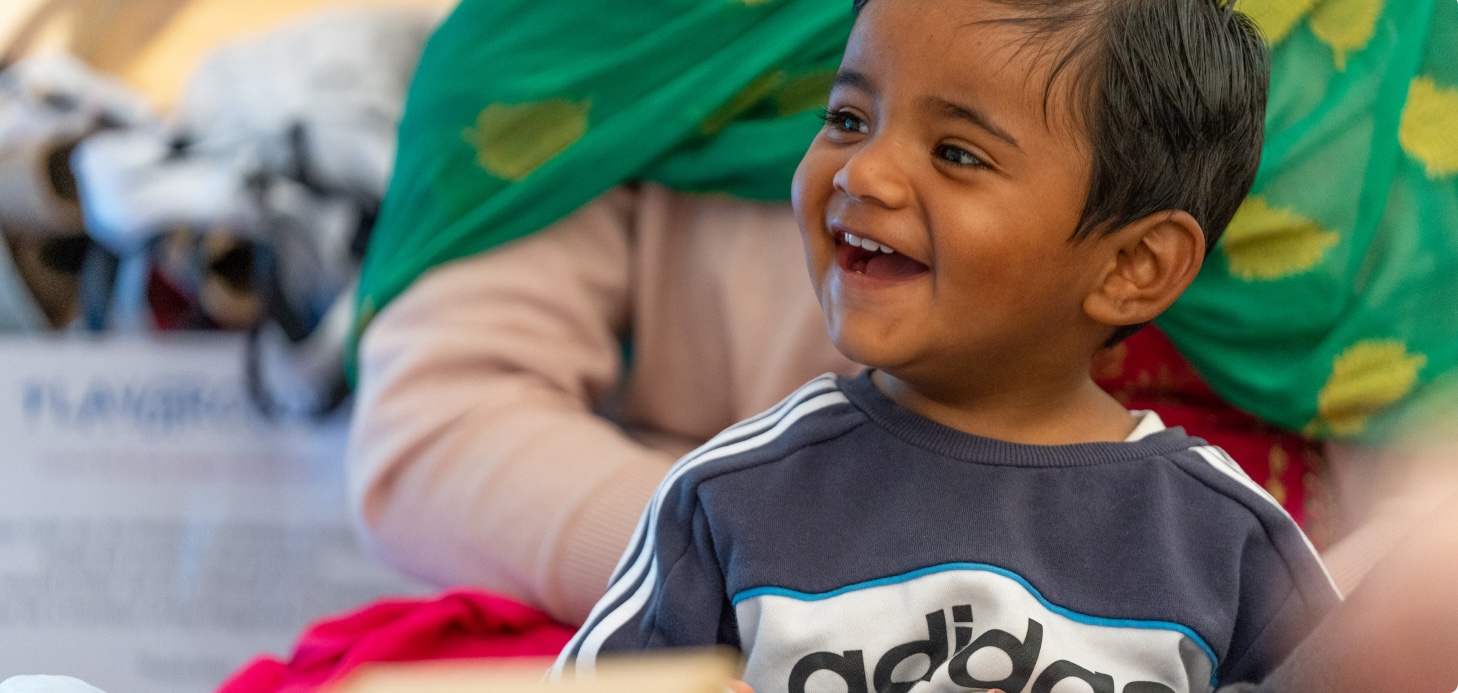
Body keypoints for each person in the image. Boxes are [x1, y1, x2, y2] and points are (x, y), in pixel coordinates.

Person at [552, 1, 1340, 691]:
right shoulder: (730, 495)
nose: (865, 172)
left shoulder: (1227, 539)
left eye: (957, 154)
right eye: (848, 119)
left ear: (1134, 266)